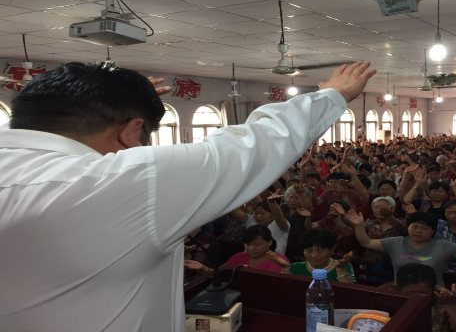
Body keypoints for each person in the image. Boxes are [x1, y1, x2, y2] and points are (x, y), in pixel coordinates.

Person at [0, 61, 376, 331]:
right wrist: (333, 95)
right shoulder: (114, 182)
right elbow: (252, 145)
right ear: (131, 132)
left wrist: (124, 103)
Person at [346, 211, 456, 286]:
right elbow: (367, 243)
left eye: (424, 228)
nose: (418, 231)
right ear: (408, 227)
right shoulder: (396, 242)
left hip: (433, 293)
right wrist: (358, 225)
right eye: (414, 227)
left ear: (433, 231)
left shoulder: (443, 245)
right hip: (401, 291)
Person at [391, 263, 456, 332]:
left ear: (432, 289)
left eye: (422, 293)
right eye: (412, 293)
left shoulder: (444, 296)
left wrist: (451, 306)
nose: (417, 297)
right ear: (399, 289)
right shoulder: (387, 292)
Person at [184, 225, 289, 274]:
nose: (252, 248)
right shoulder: (239, 257)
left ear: (269, 242)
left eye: (257, 244)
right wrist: (202, 267)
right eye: (248, 244)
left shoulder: (280, 261)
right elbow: (219, 274)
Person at [287, 228, 356, 283]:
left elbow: (349, 295)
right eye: (309, 251)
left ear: (332, 250)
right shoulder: (294, 267)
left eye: (319, 251)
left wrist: (341, 271)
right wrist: (284, 271)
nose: (314, 255)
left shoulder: (344, 266)